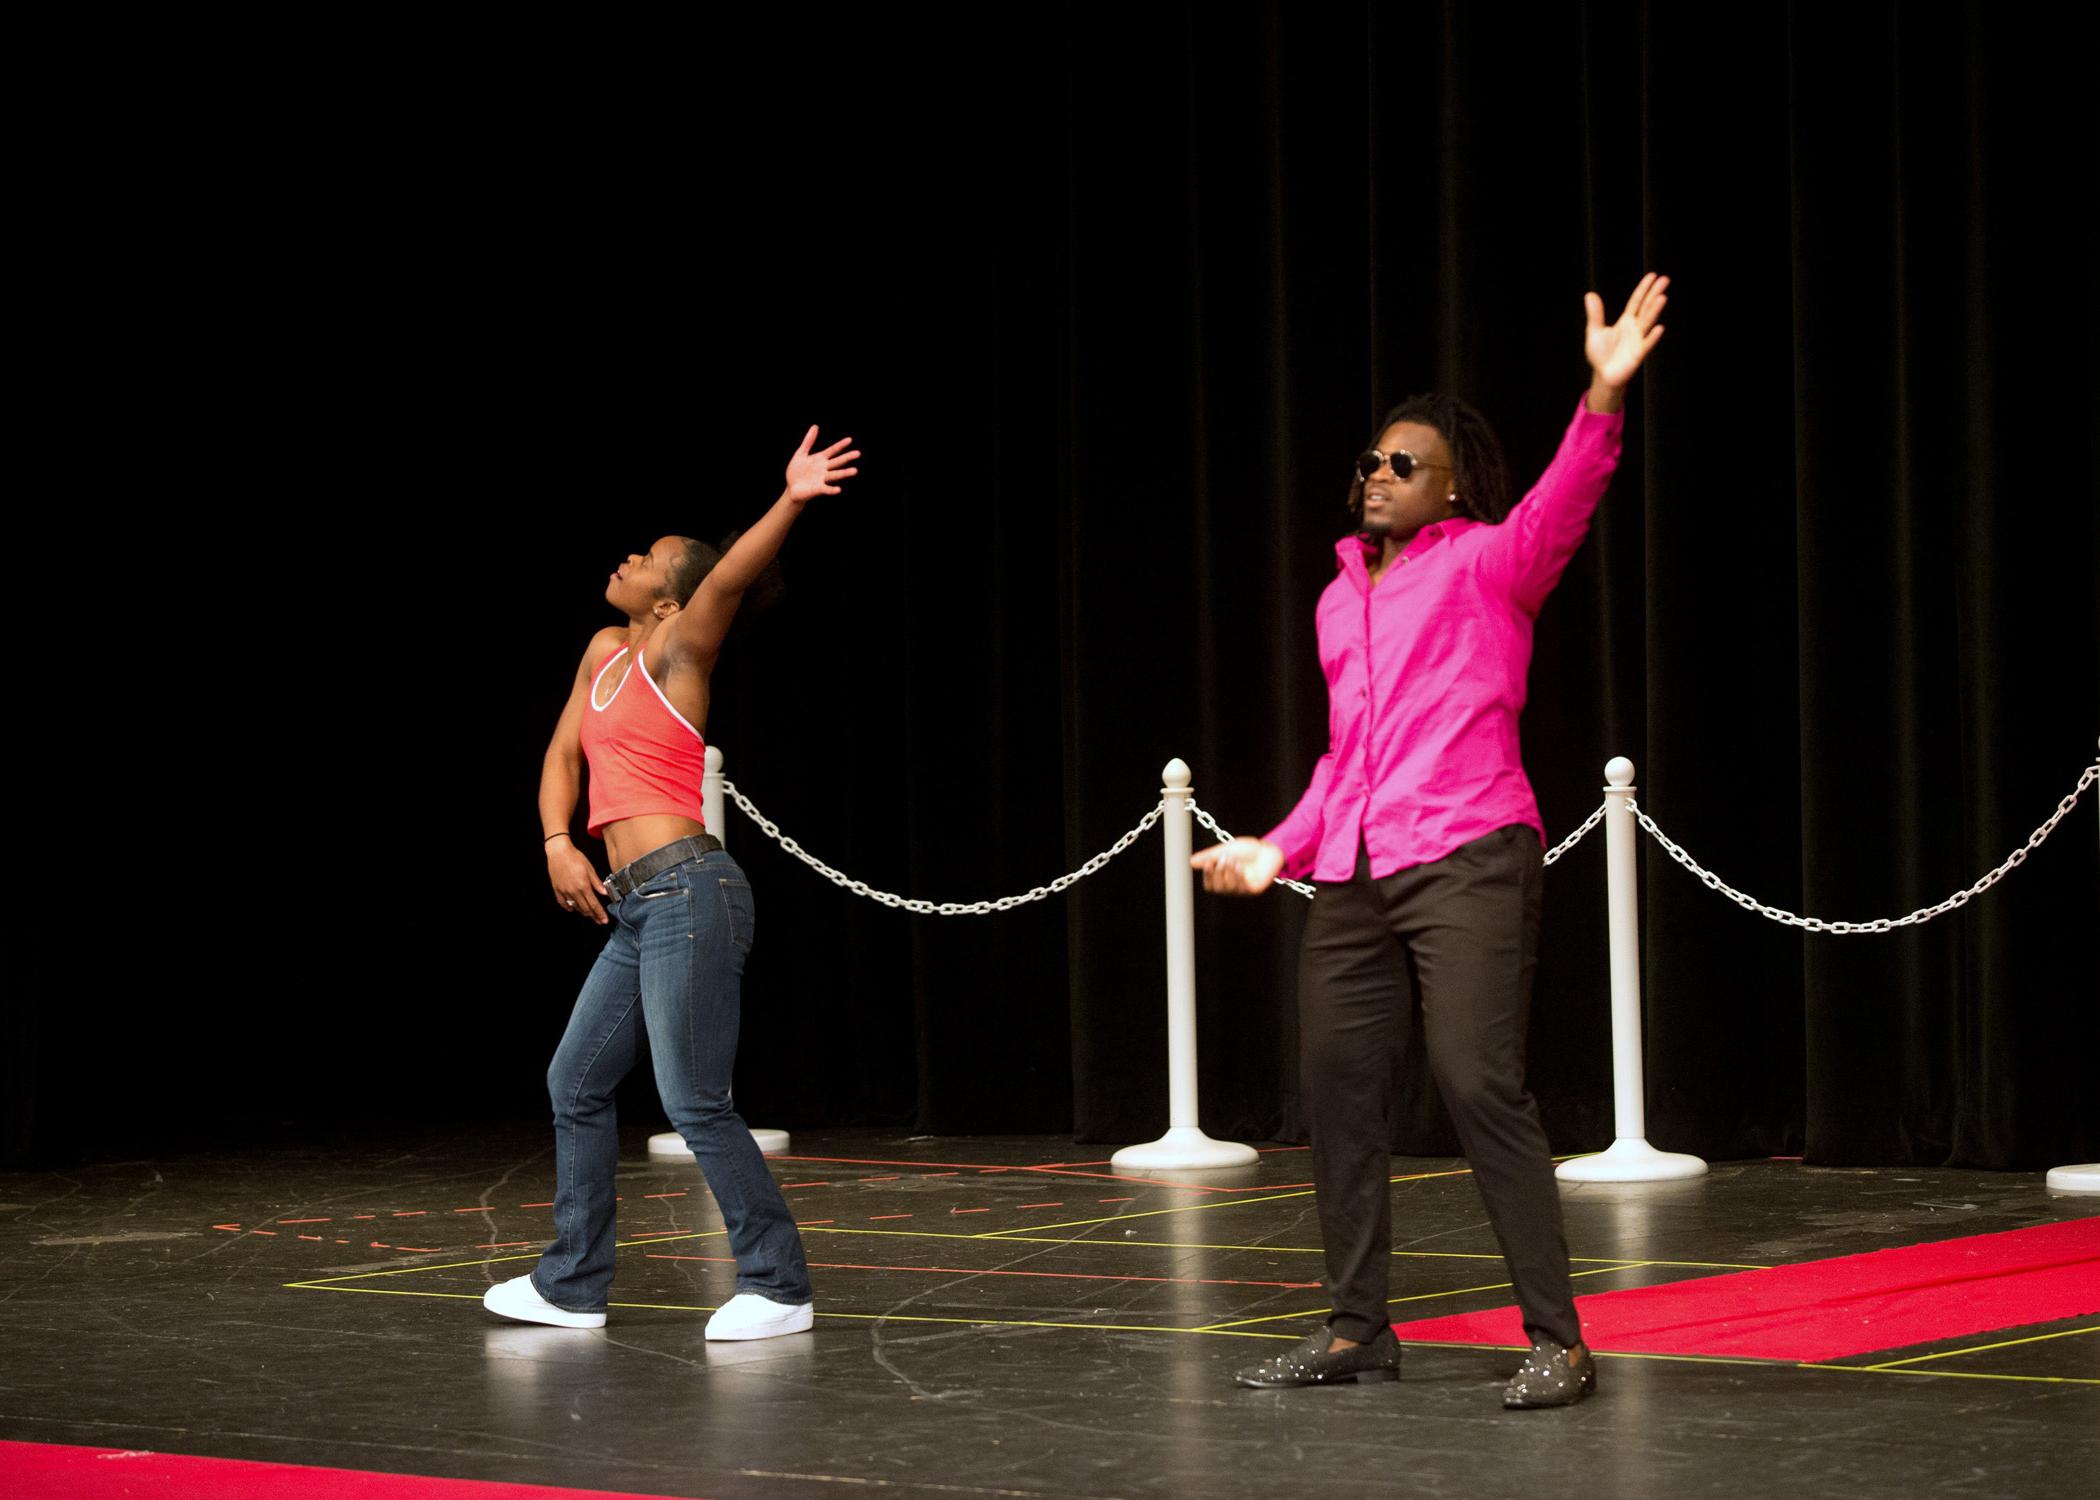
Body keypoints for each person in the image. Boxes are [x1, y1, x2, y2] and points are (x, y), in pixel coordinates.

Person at [1193, 276, 1669, 1406]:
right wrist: (1278, 845)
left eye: (1401, 464)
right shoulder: (1333, 601)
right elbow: (1342, 761)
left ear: (1450, 488)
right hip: (1354, 871)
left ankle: (1558, 1336)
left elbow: (1568, 497)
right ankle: (1358, 1326)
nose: (1376, 475)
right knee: (1339, 1085)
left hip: (1468, 854)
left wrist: (1602, 393)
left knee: (1474, 1079)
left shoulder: (1490, 563)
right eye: (1370, 462)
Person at [483, 426, 861, 1340]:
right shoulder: (604, 650)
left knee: (695, 1099)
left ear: (673, 597)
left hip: (691, 891)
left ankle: (777, 1284)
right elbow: (562, 752)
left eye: (649, 558)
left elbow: (729, 579)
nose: (629, 558)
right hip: (633, 906)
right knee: (574, 1080)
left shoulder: (675, 654)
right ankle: (572, 1284)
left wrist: (793, 498)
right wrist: (554, 842)